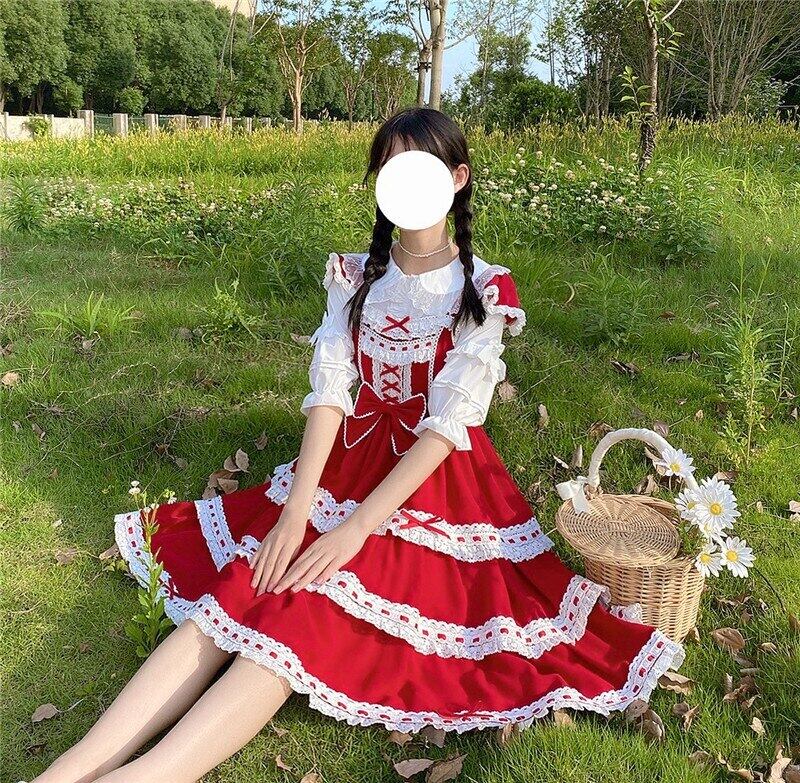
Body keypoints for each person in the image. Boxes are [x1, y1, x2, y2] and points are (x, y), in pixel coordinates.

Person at [32, 107, 684, 783]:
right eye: (390, 167)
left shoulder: (483, 289)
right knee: (240, 589)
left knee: (303, 612)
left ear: (457, 178)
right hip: (346, 460)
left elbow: (447, 426)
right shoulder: (354, 275)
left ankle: (145, 777)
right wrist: (297, 509)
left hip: (435, 485)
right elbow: (330, 394)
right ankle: (66, 771)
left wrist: (355, 529)